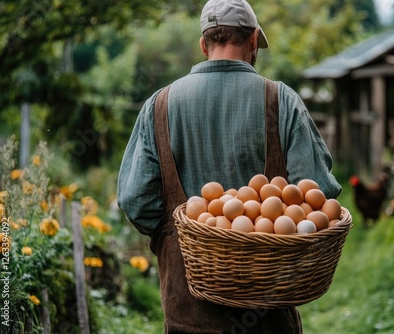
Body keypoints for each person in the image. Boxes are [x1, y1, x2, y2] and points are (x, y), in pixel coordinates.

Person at [117, 0, 342, 332]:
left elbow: (137, 202)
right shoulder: (281, 100)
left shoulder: (158, 106)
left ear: (203, 44)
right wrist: (266, 225)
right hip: (268, 310)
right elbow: (319, 194)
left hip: (188, 312)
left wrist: (186, 234)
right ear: (253, 40)